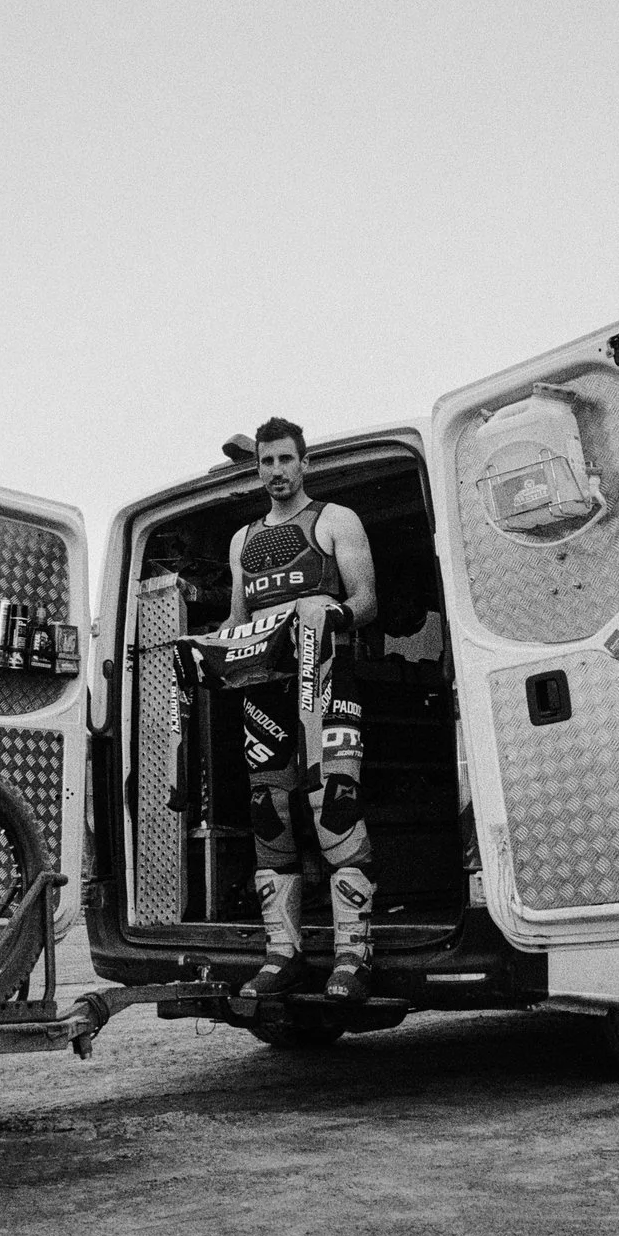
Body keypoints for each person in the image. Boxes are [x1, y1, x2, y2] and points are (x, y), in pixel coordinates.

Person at [225, 416, 378, 1004]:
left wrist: (330, 606)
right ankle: (281, 955)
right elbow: (239, 620)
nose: (276, 471)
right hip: (265, 691)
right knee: (270, 812)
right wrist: (216, 644)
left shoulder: (336, 521)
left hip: (329, 683)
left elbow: (367, 601)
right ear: (257, 466)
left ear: (305, 462)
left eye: (286, 459)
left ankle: (354, 956)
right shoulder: (243, 540)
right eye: (266, 462)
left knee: (335, 807)